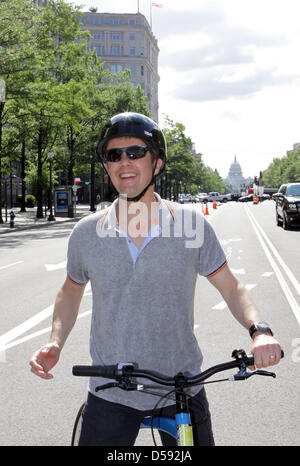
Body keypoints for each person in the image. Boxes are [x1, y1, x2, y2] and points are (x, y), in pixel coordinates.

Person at [30, 112, 282, 446]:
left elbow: (232, 287)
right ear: (106, 166)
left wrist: (259, 331)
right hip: (111, 389)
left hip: (181, 387)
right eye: (113, 155)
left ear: (158, 163)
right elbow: (70, 291)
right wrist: (55, 341)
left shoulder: (191, 227)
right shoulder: (86, 233)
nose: (124, 162)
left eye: (135, 152)